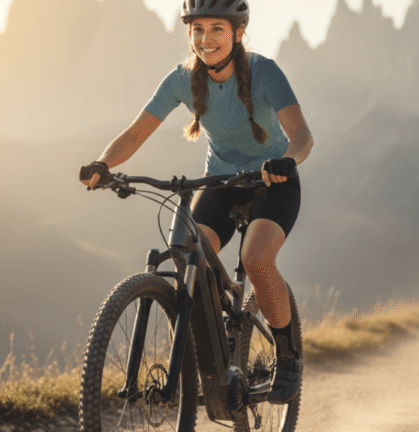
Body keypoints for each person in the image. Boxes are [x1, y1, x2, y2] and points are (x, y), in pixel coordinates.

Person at [79, 0, 313, 405]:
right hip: (221, 182)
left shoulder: (265, 72)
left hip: (272, 181)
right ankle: (215, 340)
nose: (206, 39)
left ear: (238, 32)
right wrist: (103, 163)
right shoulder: (181, 79)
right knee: (189, 253)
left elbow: (302, 136)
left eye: (217, 29)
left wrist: (287, 161)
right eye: (198, 29)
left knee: (256, 258)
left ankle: (288, 357)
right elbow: (135, 135)